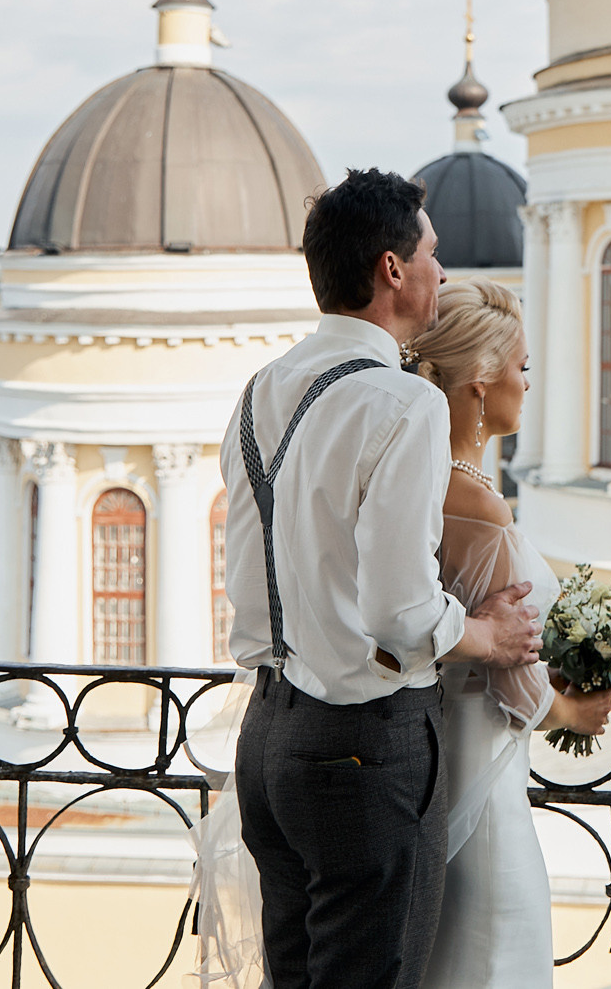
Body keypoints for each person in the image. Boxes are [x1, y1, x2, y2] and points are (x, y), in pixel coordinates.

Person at [220, 169, 543, 989]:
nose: (442, 270)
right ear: (392, 269)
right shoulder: (404, 404)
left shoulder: (260, 391)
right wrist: (489, 634)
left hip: (266, 738)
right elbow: (401, 611)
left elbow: (246, 580)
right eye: (431, 253)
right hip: (364, 746)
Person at [406, 281, 611, 989]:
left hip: (431, 770)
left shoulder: (420, 485)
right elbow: (511, 679)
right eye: (521, 367)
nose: (527, 383)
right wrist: (573, 711)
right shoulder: (480, 506)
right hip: (488, 792)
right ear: (479, 381)